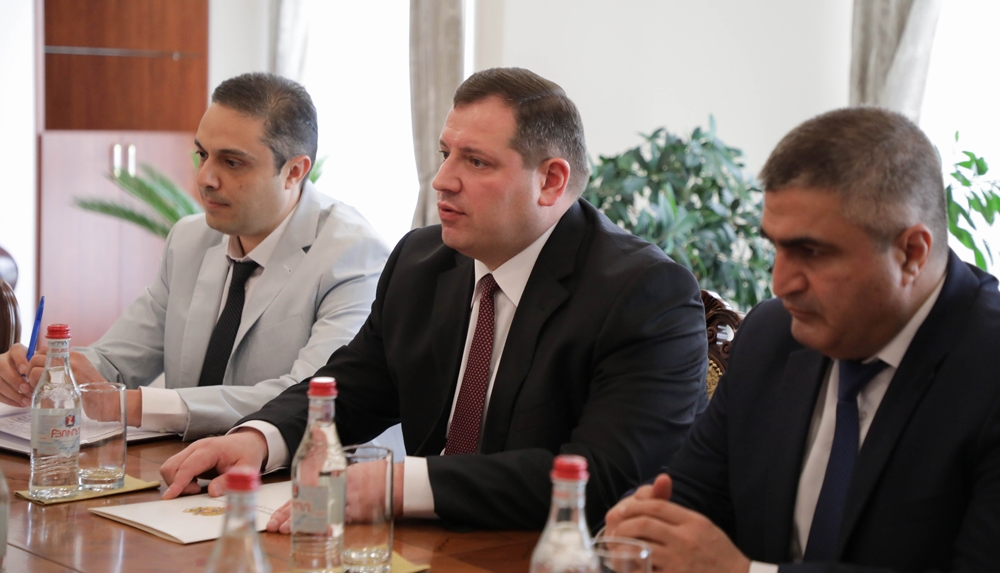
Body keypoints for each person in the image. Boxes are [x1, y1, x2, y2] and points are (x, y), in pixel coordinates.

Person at [158, 67, 709, 531]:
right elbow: (354, 386)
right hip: (426, 546)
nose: (442, 180)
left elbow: (602, 477)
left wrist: (400, 485)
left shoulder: (644, 295)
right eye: (445, 154)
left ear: (550, 182)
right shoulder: (423, 261)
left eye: (476, 162)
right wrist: (261, 438)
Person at [605, 106, 1000, 573]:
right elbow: (692, 494)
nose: (780, 283)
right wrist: (645, 527)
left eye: (811, 252)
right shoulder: (771, 336)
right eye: (776, 246)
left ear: (911, 253)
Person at [0, 73, 390, 440]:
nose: (205, 178)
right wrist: (49, 372)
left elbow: (310, 398)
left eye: (232, 162)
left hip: (286, 475)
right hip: (176, 465)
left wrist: (130, 404)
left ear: (294, 171)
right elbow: (116, 361)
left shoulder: (352, 255)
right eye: (203, 154)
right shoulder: (189, 239)